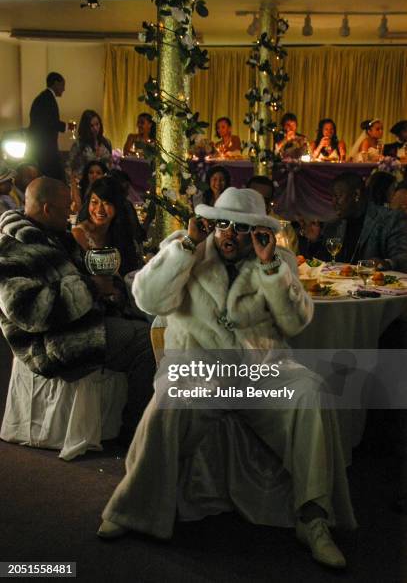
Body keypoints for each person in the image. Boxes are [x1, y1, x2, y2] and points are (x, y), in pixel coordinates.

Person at [98, 187, 356, 569]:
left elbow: (295, 324)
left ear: (257, 231)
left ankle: (312, 518)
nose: (229, 234)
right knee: (171, 398)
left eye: (240, 227)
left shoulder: (277, 259)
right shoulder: (188, 247)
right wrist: (187, 245)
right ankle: (132, 508)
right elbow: (148, 301)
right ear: (210, 223)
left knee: (309, 391)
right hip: (198, 362)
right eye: (222, 225)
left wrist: (271, 270)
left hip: (260, 367)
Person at [0, 177, 155, 434]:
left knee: (149, 328)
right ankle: (136, 431)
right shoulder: (10, 249)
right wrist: (91, 288)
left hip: (82, 322)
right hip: (53, 341)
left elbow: (87, 275)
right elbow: (27, 311)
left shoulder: (55, 236)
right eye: (65, 208)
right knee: (147, 343)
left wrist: (111, 291)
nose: (72, 212)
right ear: (48, 209)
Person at [302, 171, 407, 271]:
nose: (333, 203)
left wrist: (385, 263)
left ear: (356, 194)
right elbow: (325, 264)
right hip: (340, 287)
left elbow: (402, 258)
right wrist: (315, 241)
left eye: (338, 196)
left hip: (374, 286)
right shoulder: (334, 225)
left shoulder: (389, 219)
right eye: (332, 197)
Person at [73, 177, 144, 276]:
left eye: (107, 203)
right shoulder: (79, 234)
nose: (99, 210)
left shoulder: (121, 231)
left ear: (117, 206)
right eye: (94, 202)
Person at [28, 72, 66, 180]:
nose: (64, 89)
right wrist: (67, 126)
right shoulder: (47, 99)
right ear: (56, 83)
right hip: (45, 149)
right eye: (63, 85)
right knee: (53, 179)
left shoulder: (43, 98)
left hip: (40, 147)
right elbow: (50, 122)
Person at [246, 175, 298, 253]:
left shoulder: (283, 227)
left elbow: (291, 259)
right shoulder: (232, 223)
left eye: (264, 200)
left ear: (270, 202)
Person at [67, 110, 112, 176]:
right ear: (86, 127)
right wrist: (73, 183)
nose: (95, 128)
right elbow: (69, 166)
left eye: (97, 124)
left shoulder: (106, 143)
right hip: (84, 182)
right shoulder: (79, 144)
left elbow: (110, 165)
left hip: (103, 183)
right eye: (91, 126)